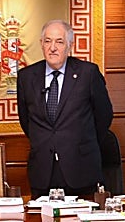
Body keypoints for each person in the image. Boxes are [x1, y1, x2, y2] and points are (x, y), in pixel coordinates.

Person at [16, 19, 113, 197]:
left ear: (70, 46)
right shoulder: (26, 77)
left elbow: (104, 116)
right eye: (48, 41)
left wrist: (80, 142)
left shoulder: (88, 73)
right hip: (42, 171)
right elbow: (25, 120)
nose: (52, 48)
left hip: (81, 168)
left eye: (59, 42)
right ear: (41, 44)